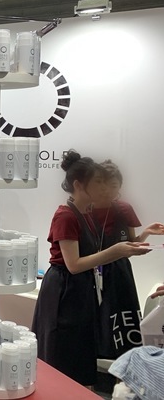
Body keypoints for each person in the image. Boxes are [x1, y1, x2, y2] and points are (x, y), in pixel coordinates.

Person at [32, 150, 150, 387]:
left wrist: (125, 248)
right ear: (78, 185)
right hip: (64, 291)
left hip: (81, 289)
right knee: (61, 354)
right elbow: (73, 264)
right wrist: (116, 251)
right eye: (97, 182)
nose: (103, 188)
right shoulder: (65, 216)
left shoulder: (85, 214)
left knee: (80, 352)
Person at [93, 160, 164, 358]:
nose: (109, 191)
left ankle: (121, 361)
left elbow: (132, 242)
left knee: (122, 321)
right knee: (97, 321)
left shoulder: (124, 209)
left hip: (119, 272)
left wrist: (146, 233)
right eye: (104, 185)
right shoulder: (85, 210)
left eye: (114, 186)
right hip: (92, 271)